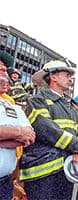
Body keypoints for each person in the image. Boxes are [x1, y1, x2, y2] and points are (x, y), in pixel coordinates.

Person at [20, 60, 78, 199]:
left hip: (64, 169)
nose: (70, 78)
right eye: (66, 74)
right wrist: (77, 145)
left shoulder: (69, 105)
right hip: (42, 172)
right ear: (53, 77)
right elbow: (46, 129)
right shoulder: (37, 100)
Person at [0, 66, 35, 200]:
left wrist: (6, 136)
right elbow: (22, 134)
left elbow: (28, 137)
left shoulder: (11, 104)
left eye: (4, 70)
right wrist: (18, 132)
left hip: (4, 182)